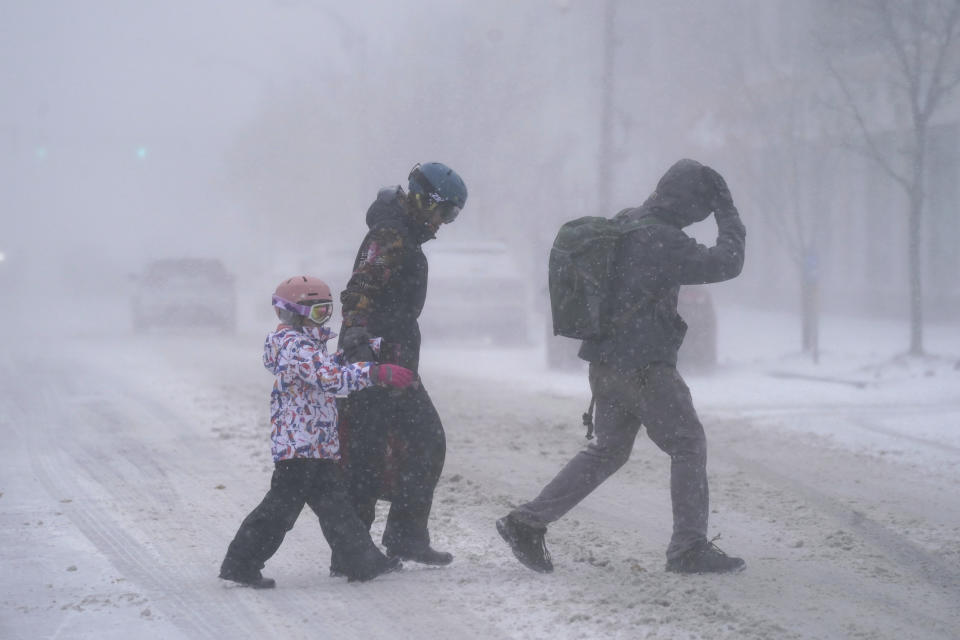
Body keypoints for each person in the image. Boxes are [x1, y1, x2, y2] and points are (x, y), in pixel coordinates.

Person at [497, 158, 747, 575]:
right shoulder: (662, 239)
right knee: (688, 444)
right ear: (690, 204)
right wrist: (728, 211)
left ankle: (527, 521)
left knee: (607, 451)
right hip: (645, 366)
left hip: (606, 365)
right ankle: (688, 548)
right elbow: (728, 262)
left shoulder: (626, 223)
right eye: (700, 209)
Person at [219, 276, 416, 587]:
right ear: (294, 313)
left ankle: (361, 561)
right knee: (280, 510)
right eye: (317, 313)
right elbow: (328, 378)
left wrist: (357, 351)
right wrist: (376, 372)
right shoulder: (293, 345)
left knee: (336, 506)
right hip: (299, 446)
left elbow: (325, 367)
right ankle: (241, 562)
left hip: (316, 444)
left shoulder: (304, 345)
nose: (323, 319)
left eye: (327, 311)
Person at [335, 162, 467, 569]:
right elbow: (361, 287)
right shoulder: (390, 234)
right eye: (445, 212)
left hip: (399, 363)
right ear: (424, 200)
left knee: (426, 442)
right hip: (373, 361)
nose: (444, 222)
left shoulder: (405, 234)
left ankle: (406, 537)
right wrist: (357, 338)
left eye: (453, 216)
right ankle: (352, 553)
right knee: (366, 457)